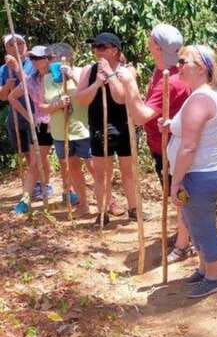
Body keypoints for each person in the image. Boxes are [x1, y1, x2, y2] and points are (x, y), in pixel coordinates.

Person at [118, 24, 192, 262]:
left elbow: (140, 116)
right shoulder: (163, 70)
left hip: (172, 149)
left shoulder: (172, 80)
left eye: (150, 40)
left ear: (157, 47)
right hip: (162, 146)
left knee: (180, 195)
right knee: (175, 193)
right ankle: (184, 232)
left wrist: (130, 84)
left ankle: (184, 242)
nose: (147, 42)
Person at [161, 45, 217, 298]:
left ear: (200, 68)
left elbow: (189, 148)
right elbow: (194, 130)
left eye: (182, 62)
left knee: (201, 225)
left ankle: (214, 276)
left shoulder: (201, 99)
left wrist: (176, 181)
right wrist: (173, 125)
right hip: (206, 171)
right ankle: (204, 268)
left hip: (199, 174)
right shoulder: (210, 93)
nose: (177, 66)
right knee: (193, 221)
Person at [73, 33, 138, 226]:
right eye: (95, 47)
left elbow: (120, 98)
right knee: (102, 174)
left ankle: (133, 209)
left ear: (114, 50)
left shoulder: (126, 71)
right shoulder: (89, 70)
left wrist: (110, 74)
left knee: (128, 172)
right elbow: (81, 99)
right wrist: (97, 84)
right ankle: (102, 213)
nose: (97, 51)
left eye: (101, 47)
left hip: (124, 128)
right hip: (99, 129)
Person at [39, 43, 93, 217]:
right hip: (61, 132)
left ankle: (109, 203)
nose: (48, 62)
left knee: (94, 168)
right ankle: (83, 205)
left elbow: (91, 95)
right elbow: (42, 106)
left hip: (83, 129)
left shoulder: (81, 72)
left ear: (65, 57)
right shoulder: (46, 79)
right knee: (74, 168)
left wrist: (71, 76)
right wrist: (56, 105)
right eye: (47, 58)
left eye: (50, 58)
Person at [8, 45, 54, 203]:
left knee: (69, 161)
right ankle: (25, 201)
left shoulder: (58, 77)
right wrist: (29, 116)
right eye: (32, 58)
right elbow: (12, 97)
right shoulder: (31, 80)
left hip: (61, 124)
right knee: (35, 163)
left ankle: (71, 193)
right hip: (41, 125)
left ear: (47, 59)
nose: (33, 61)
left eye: (37, 58)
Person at [0, 33, 37, 214]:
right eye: (11, 44)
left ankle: (42, 184)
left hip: (34, 114)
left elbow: (31, 89)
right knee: (24, 152)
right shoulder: (3, 69)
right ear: (6, 49)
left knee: (36, 150)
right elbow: (2, 96)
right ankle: (34, 184)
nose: (16, 46)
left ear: (25, 44)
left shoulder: (33, 62)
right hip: (15, 115)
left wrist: (17, 69)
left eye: (20, 42)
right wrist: (7, 84)